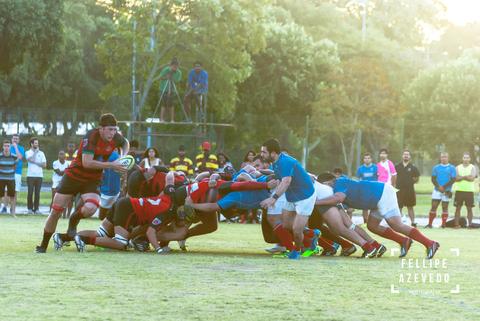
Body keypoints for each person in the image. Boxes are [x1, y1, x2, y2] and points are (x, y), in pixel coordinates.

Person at [36, 113, 129, 253]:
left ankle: (73, 220)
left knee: (91, 208)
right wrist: (112, 165)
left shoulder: (115, 137)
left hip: (91, 180)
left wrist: (123, 157)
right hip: (73, 176)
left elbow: (125, 143)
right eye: (110, 129)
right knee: (56, 211)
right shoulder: (91, 137)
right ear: (101, 128)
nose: (113, 133)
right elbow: (87, 163)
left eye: (115, 129)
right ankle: (43, 245)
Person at [316, 173, 440, 259]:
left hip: (381, 194)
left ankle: (430, 243)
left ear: (329, 182)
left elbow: (339, 197)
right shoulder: (338, 184)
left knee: (396, 224)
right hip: (377, 198)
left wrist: (315, 202)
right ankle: (403, 241)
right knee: (372, 226)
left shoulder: (338, 182)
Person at [260, 138, 317, 259]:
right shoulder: (276, 162)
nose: (261, 154)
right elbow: (280, 177)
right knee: (286, 226)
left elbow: (286, 181)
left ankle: (296, 252)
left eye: (264, 152)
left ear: (273, 153)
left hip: (305, 197)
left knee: (296, 230)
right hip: (291, 196)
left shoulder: (284, 161)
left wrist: (273, 198)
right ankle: (313, 234)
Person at [426, 152, 456, 228]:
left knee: (445, 207)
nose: (444, 158)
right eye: (442, 157)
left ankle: (443, 224)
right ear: (440, 158)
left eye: (445, 157)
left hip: (447, 191)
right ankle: (430, 224)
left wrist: (444, 187)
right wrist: (439, 187)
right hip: (437, 190)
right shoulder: (436, 167)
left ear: (448, 158)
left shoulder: (452, 168)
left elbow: (453, 179)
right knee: (433, 206)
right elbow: (433, 179)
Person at [395, 150, 420, 227]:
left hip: (409, 190)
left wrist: (409, 182)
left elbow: (417, 178)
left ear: (409, 157)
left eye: (407, 154)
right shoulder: (397, 166)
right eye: (404, 154)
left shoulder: (413, 167)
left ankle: (413, 222)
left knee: (410, 207)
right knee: (399, 207)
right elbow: (394, 176)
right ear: (402, 156)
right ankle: (398, 223)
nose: (406, 156)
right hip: (399, 190)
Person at [2, 134, 25, 214]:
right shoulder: (7, 147)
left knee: (14, 191)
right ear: (11, 139)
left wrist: (15, 147)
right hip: (6, 173)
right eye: (14, 138)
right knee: (5, 191)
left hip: (17, 173)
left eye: (17, 139)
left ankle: (12, 209)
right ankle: (4, 207)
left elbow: (20, 157)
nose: (15, 140)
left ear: (18, 140)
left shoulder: (21, 148)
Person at [453, 152, 476, 228]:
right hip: (459, 191)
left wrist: (461, 177)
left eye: (467, 158)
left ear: (470, 159)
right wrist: (466, 177)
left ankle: (470, 225)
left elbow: (472, 179)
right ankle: (456, 225)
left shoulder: (472, 167)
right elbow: (456, 178)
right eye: (464, 158)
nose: (466, 159)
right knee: (458, 208)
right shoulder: (457, 167)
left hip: (469, 191)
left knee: (469, 209)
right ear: (462, 158)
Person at [99, 149, 122, 221]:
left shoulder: (116, 155)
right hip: (104, 189)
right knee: (102, 216)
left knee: (107, 217)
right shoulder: (101, 154)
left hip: (114, 189)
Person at [26, 137, 46, 214]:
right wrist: (35, 153)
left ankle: (36, 209)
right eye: (35, 143)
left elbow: (44, 165)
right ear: (31, 144)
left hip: (39, 176)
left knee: (37, 193)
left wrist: (36, 162)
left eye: (37, 143)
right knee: (30, 193)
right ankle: (30, 209)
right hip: (30, 176)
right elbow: (29, 159)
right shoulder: (28, 152)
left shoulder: (41, 153)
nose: (37, 144)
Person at [356, 152, 378, 223]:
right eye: (365, 158)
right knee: (364, 207)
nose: (367, 159)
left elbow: (379, 178)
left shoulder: (375, 167)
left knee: (374, 207)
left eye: (368, 158)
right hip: (364, 190)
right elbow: (358, 180)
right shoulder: (360, 169)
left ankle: (372, 222)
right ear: (363, 160)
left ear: (371, 159)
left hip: (374, 190)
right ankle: (365, 222)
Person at [0, 139, 20, 217]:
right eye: (5, 146)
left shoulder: (14, 156)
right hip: (1, 178)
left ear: (10, 147)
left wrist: (10, 172)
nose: (6, 147)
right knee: (0, 195)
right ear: (3, 147)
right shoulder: (0, 156)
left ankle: (13, 213)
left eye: (8, 146)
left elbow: (15, 166)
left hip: (11, 179)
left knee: (12, 196)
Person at [159, 57, 182, 122]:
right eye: (173, 66)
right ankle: (162, 119)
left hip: (172, 90)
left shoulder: (178, 72)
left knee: (171, 104)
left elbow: (177, 81)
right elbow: (160, 77)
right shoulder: (166, 70)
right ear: (171, 65)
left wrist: (172, 78)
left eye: (176, 66)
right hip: (163, 89)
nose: (175, 68)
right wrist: (166, 77)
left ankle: (172, 119)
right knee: (163, 104)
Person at [51, 151, 69, 218]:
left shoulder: (67, 163)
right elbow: (59, 173)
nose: (60, 155)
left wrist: (66, 171)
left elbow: (67, 172)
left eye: (62, 154)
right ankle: (51, 214)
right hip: (56, 182)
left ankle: (65, 215)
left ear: (65, 156)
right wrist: (66, 170)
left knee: (65, 200)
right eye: (59, 154)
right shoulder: (55, 163)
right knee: (54, 199)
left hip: (64, 182)